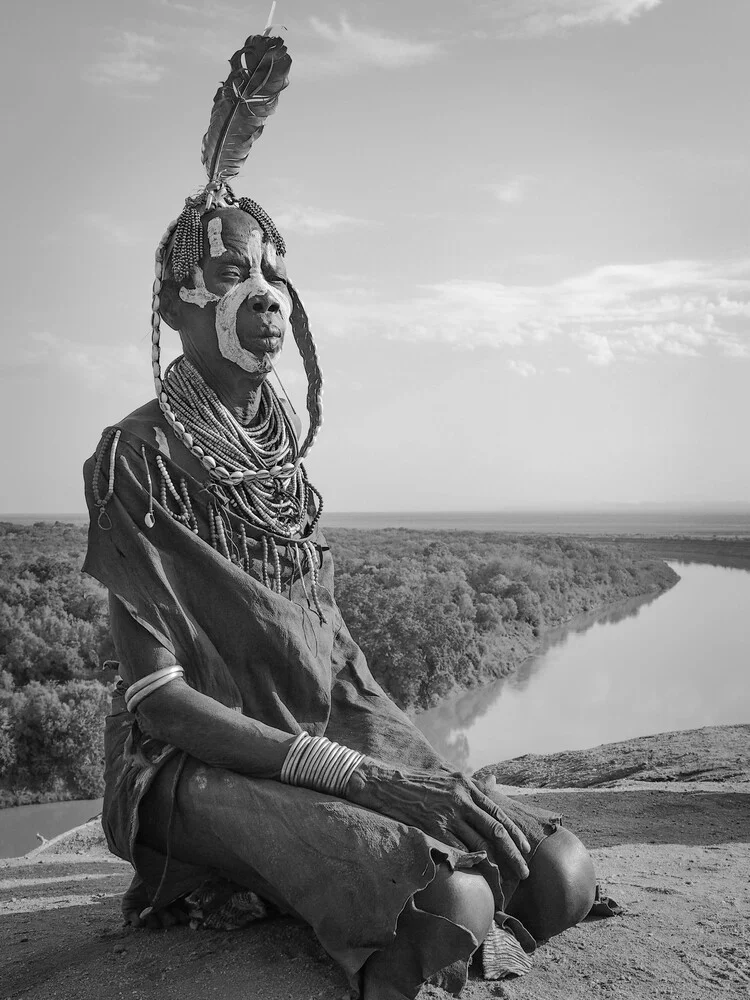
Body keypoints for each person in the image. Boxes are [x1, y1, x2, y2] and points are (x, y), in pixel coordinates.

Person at [83, 29, 598, 1000]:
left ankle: (291, 867)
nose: (265, 293)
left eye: (271, 271)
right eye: (231, 273)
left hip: (305, 748)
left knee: (555, 876)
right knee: (445, 908)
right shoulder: (138, 456)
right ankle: (246, 874)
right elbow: (158, 700)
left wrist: (434, 774)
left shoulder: (284, 472)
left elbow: (339, 666)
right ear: (179, 308)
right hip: (183, 771)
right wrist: (362, 782)